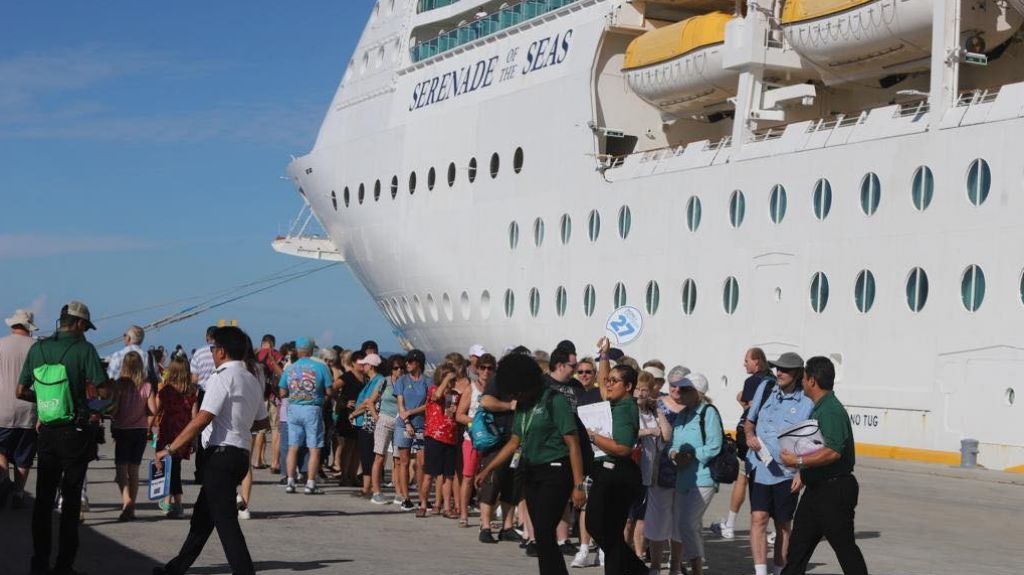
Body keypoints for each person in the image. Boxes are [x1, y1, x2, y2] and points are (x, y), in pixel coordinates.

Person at [153, 326, 270, 575]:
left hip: (222, 455)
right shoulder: (251, 378)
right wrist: (238, 419)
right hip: (239, 455)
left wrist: (171, 448)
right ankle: (175, 568)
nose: (213, 352)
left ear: (222, 351)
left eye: (214, 348)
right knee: (202, 519)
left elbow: (202, 418)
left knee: (226, 524)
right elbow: (263, 422)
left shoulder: (222, 376)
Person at [16, 301, 108, 575]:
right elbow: (103, 392)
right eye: (85, 327)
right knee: (70, 501)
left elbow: (20, 390)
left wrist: (46, 399)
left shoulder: (39, 348)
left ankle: (39, 562)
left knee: (43, 501)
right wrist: (88, 405)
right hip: (75, 432)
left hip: (46, 433)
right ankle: (64, 565)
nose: (86, 332)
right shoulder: (84, 349)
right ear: (79, 324)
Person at [476, 353, 587, 575]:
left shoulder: (554, 401)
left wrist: (578, 485)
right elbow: (515, 441)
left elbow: (573, 444)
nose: (516, 395)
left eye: (519, 390)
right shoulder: (524, 406)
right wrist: (488, 468)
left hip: (556, 472)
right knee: (540, 536)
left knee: (546, 531)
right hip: (531, 473)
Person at [779, 357, 868, 575]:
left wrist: (798, 461)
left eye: (804, 377)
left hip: (834, 491)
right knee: (797, 550)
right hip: (816, 489)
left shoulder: (830, 410)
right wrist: (804, 472)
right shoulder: (820, 408)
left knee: (845, 549)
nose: (801, 382)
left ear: (812, 381)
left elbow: (833, 451)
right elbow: (817, 446)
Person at [740, 352, 814, 575]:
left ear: (797, 373)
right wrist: (750, 436)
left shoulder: (807, 402)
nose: (779, 373)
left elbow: (810, 443)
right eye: (777, 368)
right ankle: (761, 572)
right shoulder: (765, 389)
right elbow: (749, 422)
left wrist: (802, 474)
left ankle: (781, 569)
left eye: (785, 370)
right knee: (758, 517)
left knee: (783, 524)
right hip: (760, 468)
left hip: (787, 473)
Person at [584, 364, 647, 575]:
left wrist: (592, 436)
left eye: (614, 381)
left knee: (601, 527)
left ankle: (637, 569)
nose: (608, 385)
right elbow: (603, 386)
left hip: (617, 474)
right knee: (603, 530)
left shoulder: (625, 408)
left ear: (628, 386)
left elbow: (623, 448)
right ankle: (638, 570)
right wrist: (604, 356)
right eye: (608, 380)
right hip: (607, 471)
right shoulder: (615, 401)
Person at [713, 347, 775, 540]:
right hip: (769, 436)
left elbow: (750, 409)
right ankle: (775, 530)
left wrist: (741, 399)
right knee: (770, 481)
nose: (744, 364)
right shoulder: (773, 380)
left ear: (756, 361)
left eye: (747, 360)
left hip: (750, 437)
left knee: (742, 478)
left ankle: (730, 525)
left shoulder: (752, 381)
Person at [668, 373, 722, 575]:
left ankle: (696, 569)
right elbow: (672, 444)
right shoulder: (682, 414)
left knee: (687, 524)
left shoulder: (708, 413)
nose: (679, 392)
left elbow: (715, 446)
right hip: (683, 479)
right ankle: (689, 566)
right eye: (679, 388)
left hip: (703, 478)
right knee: (689, 526)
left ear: (698, 392)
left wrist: (691, 455)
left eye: (685, 389)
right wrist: (674, 455)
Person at [644, 367, 687, 575]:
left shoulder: (697, 407)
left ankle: (676, 565)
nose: (676, 389)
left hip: (687, 473)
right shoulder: (657, 405)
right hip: (660, 470)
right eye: (672, 385)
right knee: (657, 519)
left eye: (680, 385)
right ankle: (655, 566)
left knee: (680, 521)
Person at [476, 354, 522, 544]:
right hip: (498, 438)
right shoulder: (498, 381)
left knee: (512, 481)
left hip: (517, 440)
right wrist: (508, 406)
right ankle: (485, 526)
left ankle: (507, 526)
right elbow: (485, 401)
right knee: (492, 481)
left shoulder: (524, 385)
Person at [279, 337, 333, 495]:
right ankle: (310, 483)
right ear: (311, 350)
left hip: (293, 408)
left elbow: (282, 391)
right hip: (312, 408)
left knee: (293, 447)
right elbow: (329, 390)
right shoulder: (321, 367)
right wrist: (324, 399)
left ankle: (290, 481)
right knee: (314, 448)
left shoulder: (290, 368)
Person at [0, 309, 39, 510]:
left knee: (1, 450)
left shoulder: (1, 344)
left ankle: (4, 480)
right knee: (24, 456)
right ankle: (18, 492)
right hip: (30, 408)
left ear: (12, 325)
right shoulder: (37, 347)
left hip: (2, 408)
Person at [151, 355, 198, 518]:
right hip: (183, 435)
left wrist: (148, 427)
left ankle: (168, 501)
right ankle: (177, 503)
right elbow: (195, 416)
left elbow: (156, 410)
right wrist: (193, 439)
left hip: (167, 434)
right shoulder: (192, 391)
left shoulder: (165, 391)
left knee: (164, 467)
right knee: (175, 469)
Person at [110, 351, 153, 521]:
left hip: (122, 429)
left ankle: (126, 500)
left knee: (121, 468)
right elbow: (154, 409)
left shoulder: (120, 385)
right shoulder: (146, 386)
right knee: (134, 470)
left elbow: (114, 409)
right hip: (140, 430)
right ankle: (132, 506)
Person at [418, 363, 461, 518]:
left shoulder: (455, 395)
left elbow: (453, 414)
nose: (451, 381)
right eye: (448, 378)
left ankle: (446, 507)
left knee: (448, 475)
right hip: (434, 436)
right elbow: (436, 397)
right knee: (429, 474)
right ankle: (423, 504)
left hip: (450, 437)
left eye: (452, 378)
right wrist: (446, 379)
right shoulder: (433, 390)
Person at [456, 352, 492, 524]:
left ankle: (486, 515)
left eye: (490, 368)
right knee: (468, 477)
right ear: (477, 370)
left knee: (489, 478)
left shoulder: (494, 389)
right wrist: (475, 422)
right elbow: (459, 415)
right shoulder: (471, 388)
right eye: (483, 368)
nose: (486, 371)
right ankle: (464, 513)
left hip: (490, 439)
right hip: (472, 438)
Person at [394, 349, 429, 512]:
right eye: (406, 361)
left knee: (422, 463)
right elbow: (400, 403)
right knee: (404, 461)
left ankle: (423, 497)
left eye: (410, 361)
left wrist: (412, 412)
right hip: (403, 424)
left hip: (422, 424)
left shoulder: (427, 381)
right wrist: (407, 420)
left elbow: (429, 404)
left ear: (418, 363)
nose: (406, 364)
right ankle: (405, 497)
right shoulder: (402, 380)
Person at [366, 355, 403, 504]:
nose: (399, 370)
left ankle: (399, 492)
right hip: (385, 419)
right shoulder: (384, 382)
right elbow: (370, 402)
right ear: (391, 369)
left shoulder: (406, 383)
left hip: (399, 421)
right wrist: (376, 417)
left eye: (401, 367)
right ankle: (376, 492)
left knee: (398, 459)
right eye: (395, 368)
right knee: (380, 457)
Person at [349, 353, 384, 498]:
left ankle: (367, 488)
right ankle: (366, 486)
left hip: (368, 422)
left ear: (370, 366)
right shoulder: (373, 380)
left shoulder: (377, 380)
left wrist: (353, 414)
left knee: (367, 454)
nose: (362, 366)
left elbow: (368, 402)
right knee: (366, 454)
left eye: (364, 364)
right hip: (365, 421)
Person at [189, 326, 218, 483]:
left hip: (203, 394)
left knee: (201, 431)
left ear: (207, 337)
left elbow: (194, 380)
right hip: (219, 393)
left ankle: (200, 472)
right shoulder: (222, 352)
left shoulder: (198, 353)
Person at [256, 335, 283, 474]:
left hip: (259, 397)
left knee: (259, 430)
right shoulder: (276, 355)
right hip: (272, 396)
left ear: (263, 342)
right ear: (273, 343)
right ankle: (275, 462)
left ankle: (258, 460)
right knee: (275, 430)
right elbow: (281, 374)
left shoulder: (255, 355)